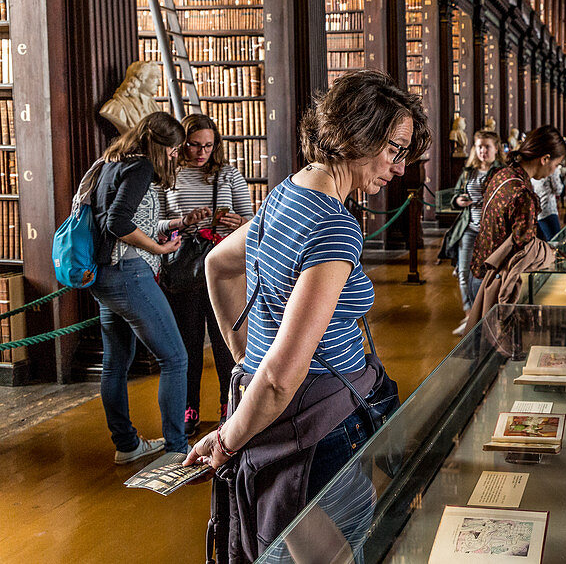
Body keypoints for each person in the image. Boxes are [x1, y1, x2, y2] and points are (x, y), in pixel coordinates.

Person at [185, 70, 430, 559]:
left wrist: (245, 358)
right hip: (319, 428)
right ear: (357, 133)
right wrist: (227, 442)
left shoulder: (284, 193)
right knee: (339, 553)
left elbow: (218, 266)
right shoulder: (335, 228)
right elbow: (279, 379)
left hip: (278, 418)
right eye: (395, 150)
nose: (399, 168)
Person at [89, 111, 204, 462]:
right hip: (130, 275)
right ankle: (176, 450)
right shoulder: (140, 167)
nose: (174, 155)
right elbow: (118, 222)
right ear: (156, 144)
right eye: (172, 150)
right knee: (176, 358)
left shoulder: (112, 162)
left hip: (105, 276)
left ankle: (126, 446)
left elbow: (130, 218)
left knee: (116, 361)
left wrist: (176, 223)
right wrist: (158, 248)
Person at [160, 113, 255, 436]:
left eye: (208, 146)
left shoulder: (228, 175)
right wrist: (183, 222)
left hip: (224, 269)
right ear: (182, 144)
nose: (202, 153)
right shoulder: (168, 176)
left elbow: (254, 222)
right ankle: (190, 407)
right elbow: (155, 224)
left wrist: (237, 223)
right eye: (195, 145)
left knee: (226, 342)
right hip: (185, 268)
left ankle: (229, 404)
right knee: (187, 344)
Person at [468, 125, 566, 295]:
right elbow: (524, 249)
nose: (554, 171)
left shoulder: (503, 174)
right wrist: (550, 254)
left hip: (480, 272)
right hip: (494, 282)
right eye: (556, 165)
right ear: (544, 159)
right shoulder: (523, 193)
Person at [451, 130, 504, 313]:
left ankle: (488, 310)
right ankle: (469, 313)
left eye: (487, 147)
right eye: (479, 146)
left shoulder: (501, 172)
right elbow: (456, 194)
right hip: (470, 228)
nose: (483, 151)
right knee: (464, 272)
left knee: (490, 274)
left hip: (493, 232)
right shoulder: (469, 172)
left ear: (496, 148)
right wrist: (459, 201)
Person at [99, 60, 161, 134]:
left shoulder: (154, 106)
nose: (159, 83)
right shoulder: (116, 107)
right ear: (141, 77)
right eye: (154, 78)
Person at [532, 162, 564, 241]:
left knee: (543, 241)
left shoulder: (533, 169)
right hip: (549, 209)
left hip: (538, 211)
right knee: (555, 240)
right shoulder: (551, 169)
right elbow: (558, 190)